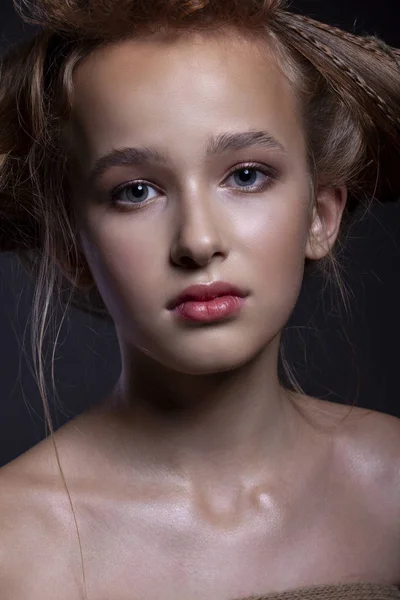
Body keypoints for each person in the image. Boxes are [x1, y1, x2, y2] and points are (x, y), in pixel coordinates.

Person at [0, 0, 399, 598]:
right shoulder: (16, 546)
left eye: (246, 176)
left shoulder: (392, 482)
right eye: (135, 190)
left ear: (321, 214)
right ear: (71, 247)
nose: (198, 241)